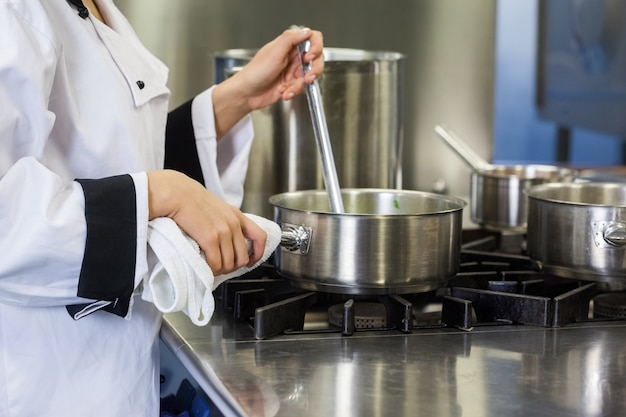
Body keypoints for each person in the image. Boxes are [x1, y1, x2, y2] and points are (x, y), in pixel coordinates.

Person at [0, 0, 324, 415]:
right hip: (44, 385)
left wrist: (235, 98)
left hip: (113, 377)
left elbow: (117, 158)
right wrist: (162, 194)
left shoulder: (94, 7)